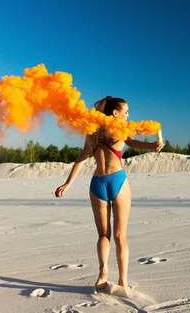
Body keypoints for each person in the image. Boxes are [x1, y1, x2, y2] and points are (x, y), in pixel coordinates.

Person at [54, 96, 163, 292]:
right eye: (126, 112)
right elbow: (133, 143)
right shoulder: (120, 129)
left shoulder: (92, 129)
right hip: (117, 181)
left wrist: (68, 183)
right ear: (115, 113)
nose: (128, 115)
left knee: (103, 235)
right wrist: (153, 146)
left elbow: (83, 156)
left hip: (97, 183)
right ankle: (122, 281)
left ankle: (103, 273)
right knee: (121, 235)